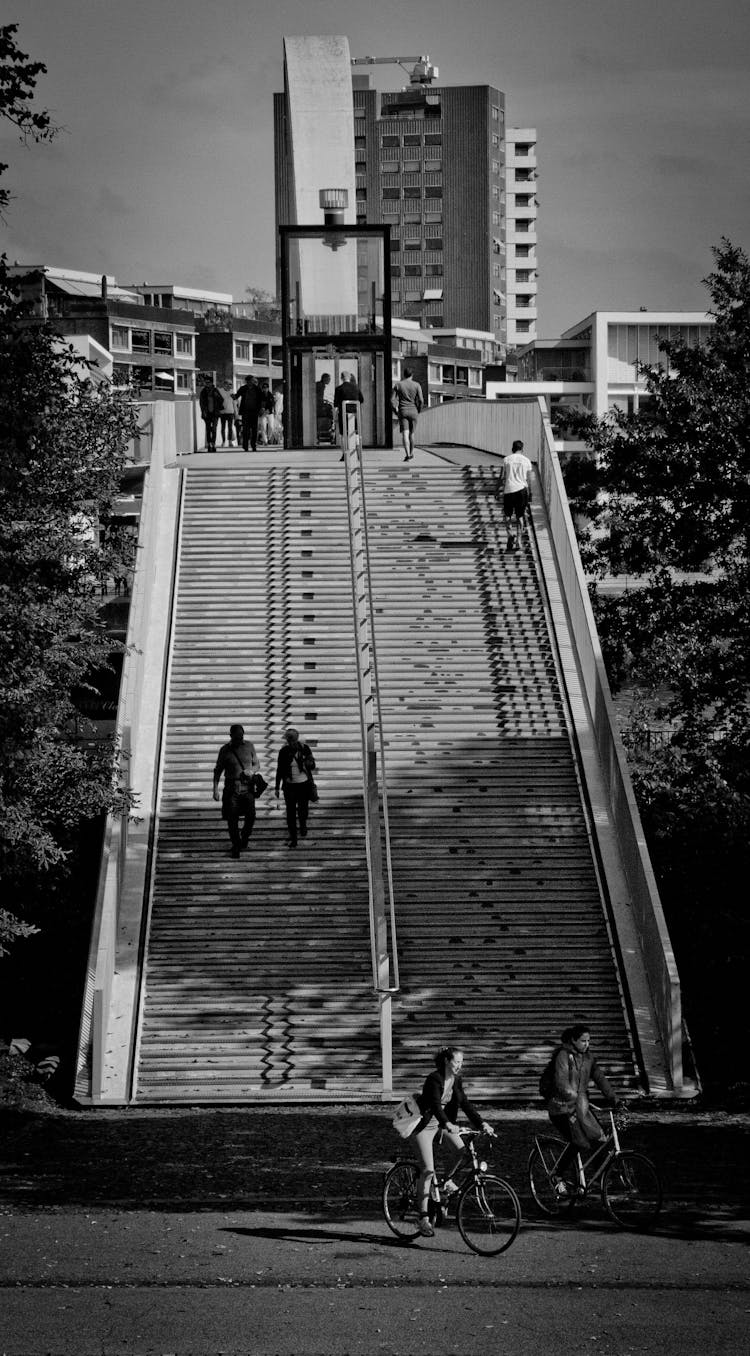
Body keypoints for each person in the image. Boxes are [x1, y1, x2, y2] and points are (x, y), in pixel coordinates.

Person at [407, 1046, 495, 1238]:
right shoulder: (434, 1079)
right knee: (428, 1170)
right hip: (423, 1126)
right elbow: (436, 1105)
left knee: (460, 1149)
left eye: (462, 1062)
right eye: (457, 1062)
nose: (459, 1066)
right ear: (447, 1061)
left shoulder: (456, 1080)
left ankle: (445, 1181)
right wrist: (447, 1123)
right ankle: (422, 1218)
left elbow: (465, 1103)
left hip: (442, 1124)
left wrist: (482, 1123)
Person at [544, 1024, 622, 1195]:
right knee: (578, 1141)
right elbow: (561, 1082)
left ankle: (601, 1180)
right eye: (583, 1041)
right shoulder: (563, 1056)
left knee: (599, 1138)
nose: (587, 1044)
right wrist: (574, 1098)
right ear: (573, 1040)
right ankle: (556, 1175)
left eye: (589, 1041)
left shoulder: (588, 1058)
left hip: (580, 1107)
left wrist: (614, 1099)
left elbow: (600, 1079)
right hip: (561, 1108)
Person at [213, 723, 261, 858]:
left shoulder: (249, 746)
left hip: (247, 787)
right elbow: (218, 770)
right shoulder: (225, 750)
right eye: (237, 737)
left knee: (251, 816)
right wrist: (215, 789)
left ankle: (245, 836)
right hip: (231, 788)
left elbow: (257, 764)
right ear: (231, 736)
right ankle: (236, 845)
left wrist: (251, 771)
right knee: (232, 819)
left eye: (241, 737)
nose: (239, 740)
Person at [274, 727, 317, 849]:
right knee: (291, 813)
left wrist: (308, 763)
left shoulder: (304, 749)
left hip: (303, 785)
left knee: (303, 810)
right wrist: (277, 787)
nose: (290, 742)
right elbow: (280, 769)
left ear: (296, 739)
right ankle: (293, 838)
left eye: (291, 739)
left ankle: (303, 824)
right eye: (288, 739)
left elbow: (312, 765)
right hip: (289, 786)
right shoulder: (283, 751)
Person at [500, 438, 533, 550]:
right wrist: (530, 492)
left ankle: (510, 535)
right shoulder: (527, 461)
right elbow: (529, 479)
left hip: (509, 490)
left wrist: (496, 490)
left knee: (508, 516)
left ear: (512, 448)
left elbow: (502, 477)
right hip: (521, 490)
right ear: (522, 449)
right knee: (520, 516)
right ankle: (519, 540)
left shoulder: (506, 459)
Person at [392, 366, 424, 462]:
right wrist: (419, 410)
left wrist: (395, 411)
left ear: (403, 374)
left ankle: (408, 455)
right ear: (412, 375)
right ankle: (411, 453)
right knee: (412, 433)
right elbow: (421, 400)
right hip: (413, 411)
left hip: (403, 411)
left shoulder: (398, 385)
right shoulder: (417, 385)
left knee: (405, 434)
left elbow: (392, 400)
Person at [334, 371, 364, 460]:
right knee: (356, 434)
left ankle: (344, 454)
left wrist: (335, 417)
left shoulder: (339, 389)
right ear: (349, 378)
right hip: (354, 414)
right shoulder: (356, 387)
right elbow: (361, 400)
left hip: (343, 414)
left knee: (343, 434)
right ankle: (357, 453)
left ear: (341, 378)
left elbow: (335, 405)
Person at [234, 375, 264, 451]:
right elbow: (236, 396)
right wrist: (231, 395)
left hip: (254, 412)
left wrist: (262, 408)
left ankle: (253, 445)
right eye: (252, 380)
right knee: (246, 430)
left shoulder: (257, 388)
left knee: (254, 430)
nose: (253, 382)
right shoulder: (243, 388)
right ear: (248, 381)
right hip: (245, 412)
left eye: (254, 380)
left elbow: (262, 399)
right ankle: (245, 446)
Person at [199, 380, 223, 451]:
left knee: (214, 429)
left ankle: (213, 444)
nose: (207, 384)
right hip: (207, 413)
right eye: (206, 383)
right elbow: (201, 403)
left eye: (209, 383)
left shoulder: (215, 390)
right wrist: (203, 411)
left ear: (212, 383)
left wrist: (217, 398)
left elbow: (221, 400)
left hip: (215, 413)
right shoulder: (203, 391)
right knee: (208, 429)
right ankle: (209, 444)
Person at [217, 382, 237, 448]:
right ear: (224, 385)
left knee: (230, 428)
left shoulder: (232, 392)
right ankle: (223, 441)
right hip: (222, 412)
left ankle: (230, 442)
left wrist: (236, 413)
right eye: (227, 384)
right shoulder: (220, 391)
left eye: (230, 384)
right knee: (223, 428)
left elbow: (235, 403)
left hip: (230, 412)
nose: (229, 386)